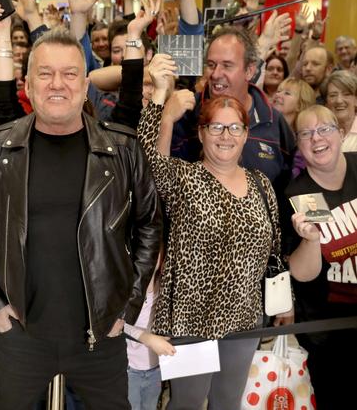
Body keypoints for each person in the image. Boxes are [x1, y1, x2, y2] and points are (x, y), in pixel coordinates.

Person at [0, 26, 162, 409]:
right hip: (21, 336)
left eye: (69, 74)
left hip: (101, 335)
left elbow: (149, 224)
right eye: (45, 73)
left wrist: (128, 307)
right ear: (28, 86)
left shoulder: (122, 149)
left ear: (85, 87)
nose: (57, 84)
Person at [138, 54, 288, 409]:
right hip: (189, 319)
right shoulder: (184, 178)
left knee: (228, 402)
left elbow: (273, 248)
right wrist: (163, 103)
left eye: (234, 127)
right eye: (216, 127)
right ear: (202, 133)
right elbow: (144, 160)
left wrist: (284, 299)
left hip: (245, 317)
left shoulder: (261, 183)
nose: (226, 135)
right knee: (187, 404)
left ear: (246, 134)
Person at [163, 26, 296, 194]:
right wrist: (166, 118)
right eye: (211, 65)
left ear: (249, 71)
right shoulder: (185, 113)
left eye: (227, 65)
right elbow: (161, 178)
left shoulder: (273, 122)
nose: (216, 74)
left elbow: (288, 189)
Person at [285, 105, 357, 409]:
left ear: (340, 133)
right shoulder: (303, 193)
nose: (316, 139)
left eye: (324, 129)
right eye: (306, 133)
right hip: (329, 330)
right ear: (299, 145)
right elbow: (304, 274)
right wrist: (311, 240)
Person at [320, 70, 357, 151]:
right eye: (333, 95)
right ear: (326, 103)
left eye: (346, 94)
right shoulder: (319, 133)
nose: (339, 100)